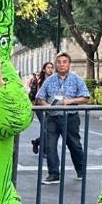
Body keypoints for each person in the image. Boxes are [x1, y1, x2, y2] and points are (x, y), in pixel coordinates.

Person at [35, 53, 90, 184]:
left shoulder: (76, 79)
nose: (61, 64)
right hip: (52, 118)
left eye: (65, 62)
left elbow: (86, 97)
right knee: (50, 146)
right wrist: (47, 106)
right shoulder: (49, 80)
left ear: (69, 64)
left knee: (74, 145)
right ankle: (53, 174)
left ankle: (81, 170)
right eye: (59, 62)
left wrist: (70, 101)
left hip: (70, 117)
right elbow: (40, 97)